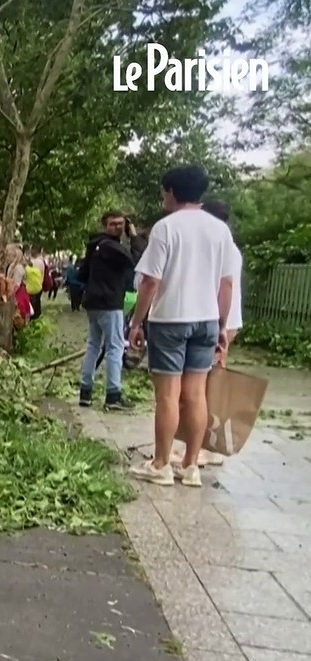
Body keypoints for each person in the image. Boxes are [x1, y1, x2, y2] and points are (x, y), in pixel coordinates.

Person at [128, 166, 240, 488]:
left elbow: (150, 281)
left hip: (170, 320)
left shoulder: (166, 228)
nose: (164, 197)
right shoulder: (220, 231)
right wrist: (221, 323)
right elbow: (227, 283)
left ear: (172, 192)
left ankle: (161, 464)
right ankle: (191, 465)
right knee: (196, 395)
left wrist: (137, 323)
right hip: (206, 320)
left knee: (168, 395)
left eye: (165, 191)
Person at [168, 198, 243, 468]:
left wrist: (221, 325)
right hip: (218, 321)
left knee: (204, 390)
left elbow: (224, 287)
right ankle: (196, 448)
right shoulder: (224, 245)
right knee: (200, 388)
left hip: (217, 321)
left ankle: (204, 449)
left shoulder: (222, 247)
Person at [77, 212, 136, 410]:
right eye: (113, 224)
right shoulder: (112, 247)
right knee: (115, 347)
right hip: (109, 303)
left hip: (93, 302)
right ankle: (113, 394)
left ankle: (85, 392)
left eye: (121, 224)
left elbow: (82, 273)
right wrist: (133, 237)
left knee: (94, 345)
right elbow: (135, 260)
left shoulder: (94, 246)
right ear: (105, 226)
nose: (118, 228)